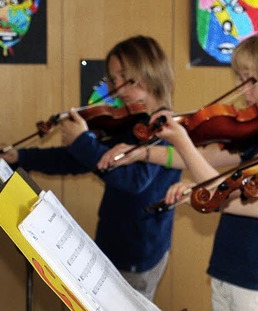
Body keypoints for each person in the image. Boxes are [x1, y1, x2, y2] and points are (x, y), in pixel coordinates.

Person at [124, 28, 258, 310]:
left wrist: (183, 142)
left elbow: (225, 193)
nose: (243, 89)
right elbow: (210, 161)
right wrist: (144, 153)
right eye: (240, 79)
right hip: (231, 270)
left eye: (250, 79)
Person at [0, 35, 182, 300]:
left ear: (147, 74)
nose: (114, 86)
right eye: (112, 78)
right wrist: (20, 156)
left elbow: (134, 180)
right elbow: (78, 160)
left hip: (138, 249)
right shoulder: (130, 123)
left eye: (121, 77)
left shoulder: (161, 126)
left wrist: (84, 142)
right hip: (116, 242)